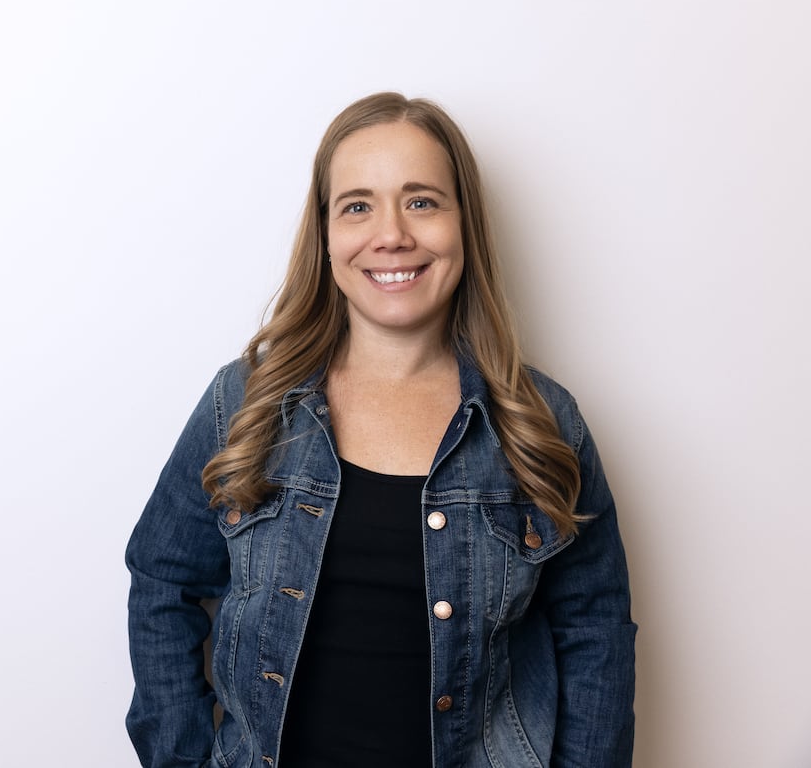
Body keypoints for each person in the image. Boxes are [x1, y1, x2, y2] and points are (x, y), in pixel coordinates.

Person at [124, 92, 636, 768]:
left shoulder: (541, 425)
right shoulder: (245, 403)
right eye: (358, 205)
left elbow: (595, 633)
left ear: (464, 226)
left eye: (422, 201)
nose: (391, 233)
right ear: (327, 234)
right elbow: (162, 578)